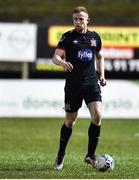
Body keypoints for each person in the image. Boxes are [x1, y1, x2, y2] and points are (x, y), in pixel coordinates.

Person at [52, 6, 106, 171]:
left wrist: (102, 74)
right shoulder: (67, 37)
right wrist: (62, 62)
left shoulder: (95, 37)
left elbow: (99, 56)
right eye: (75, 19)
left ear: (87, 20)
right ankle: (61, 155)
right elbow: (55, 57)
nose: (77, 22)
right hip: (73, 85)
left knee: (97, 115)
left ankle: (90, 155)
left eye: (81, 19)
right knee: (70, 121)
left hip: (91, 83)